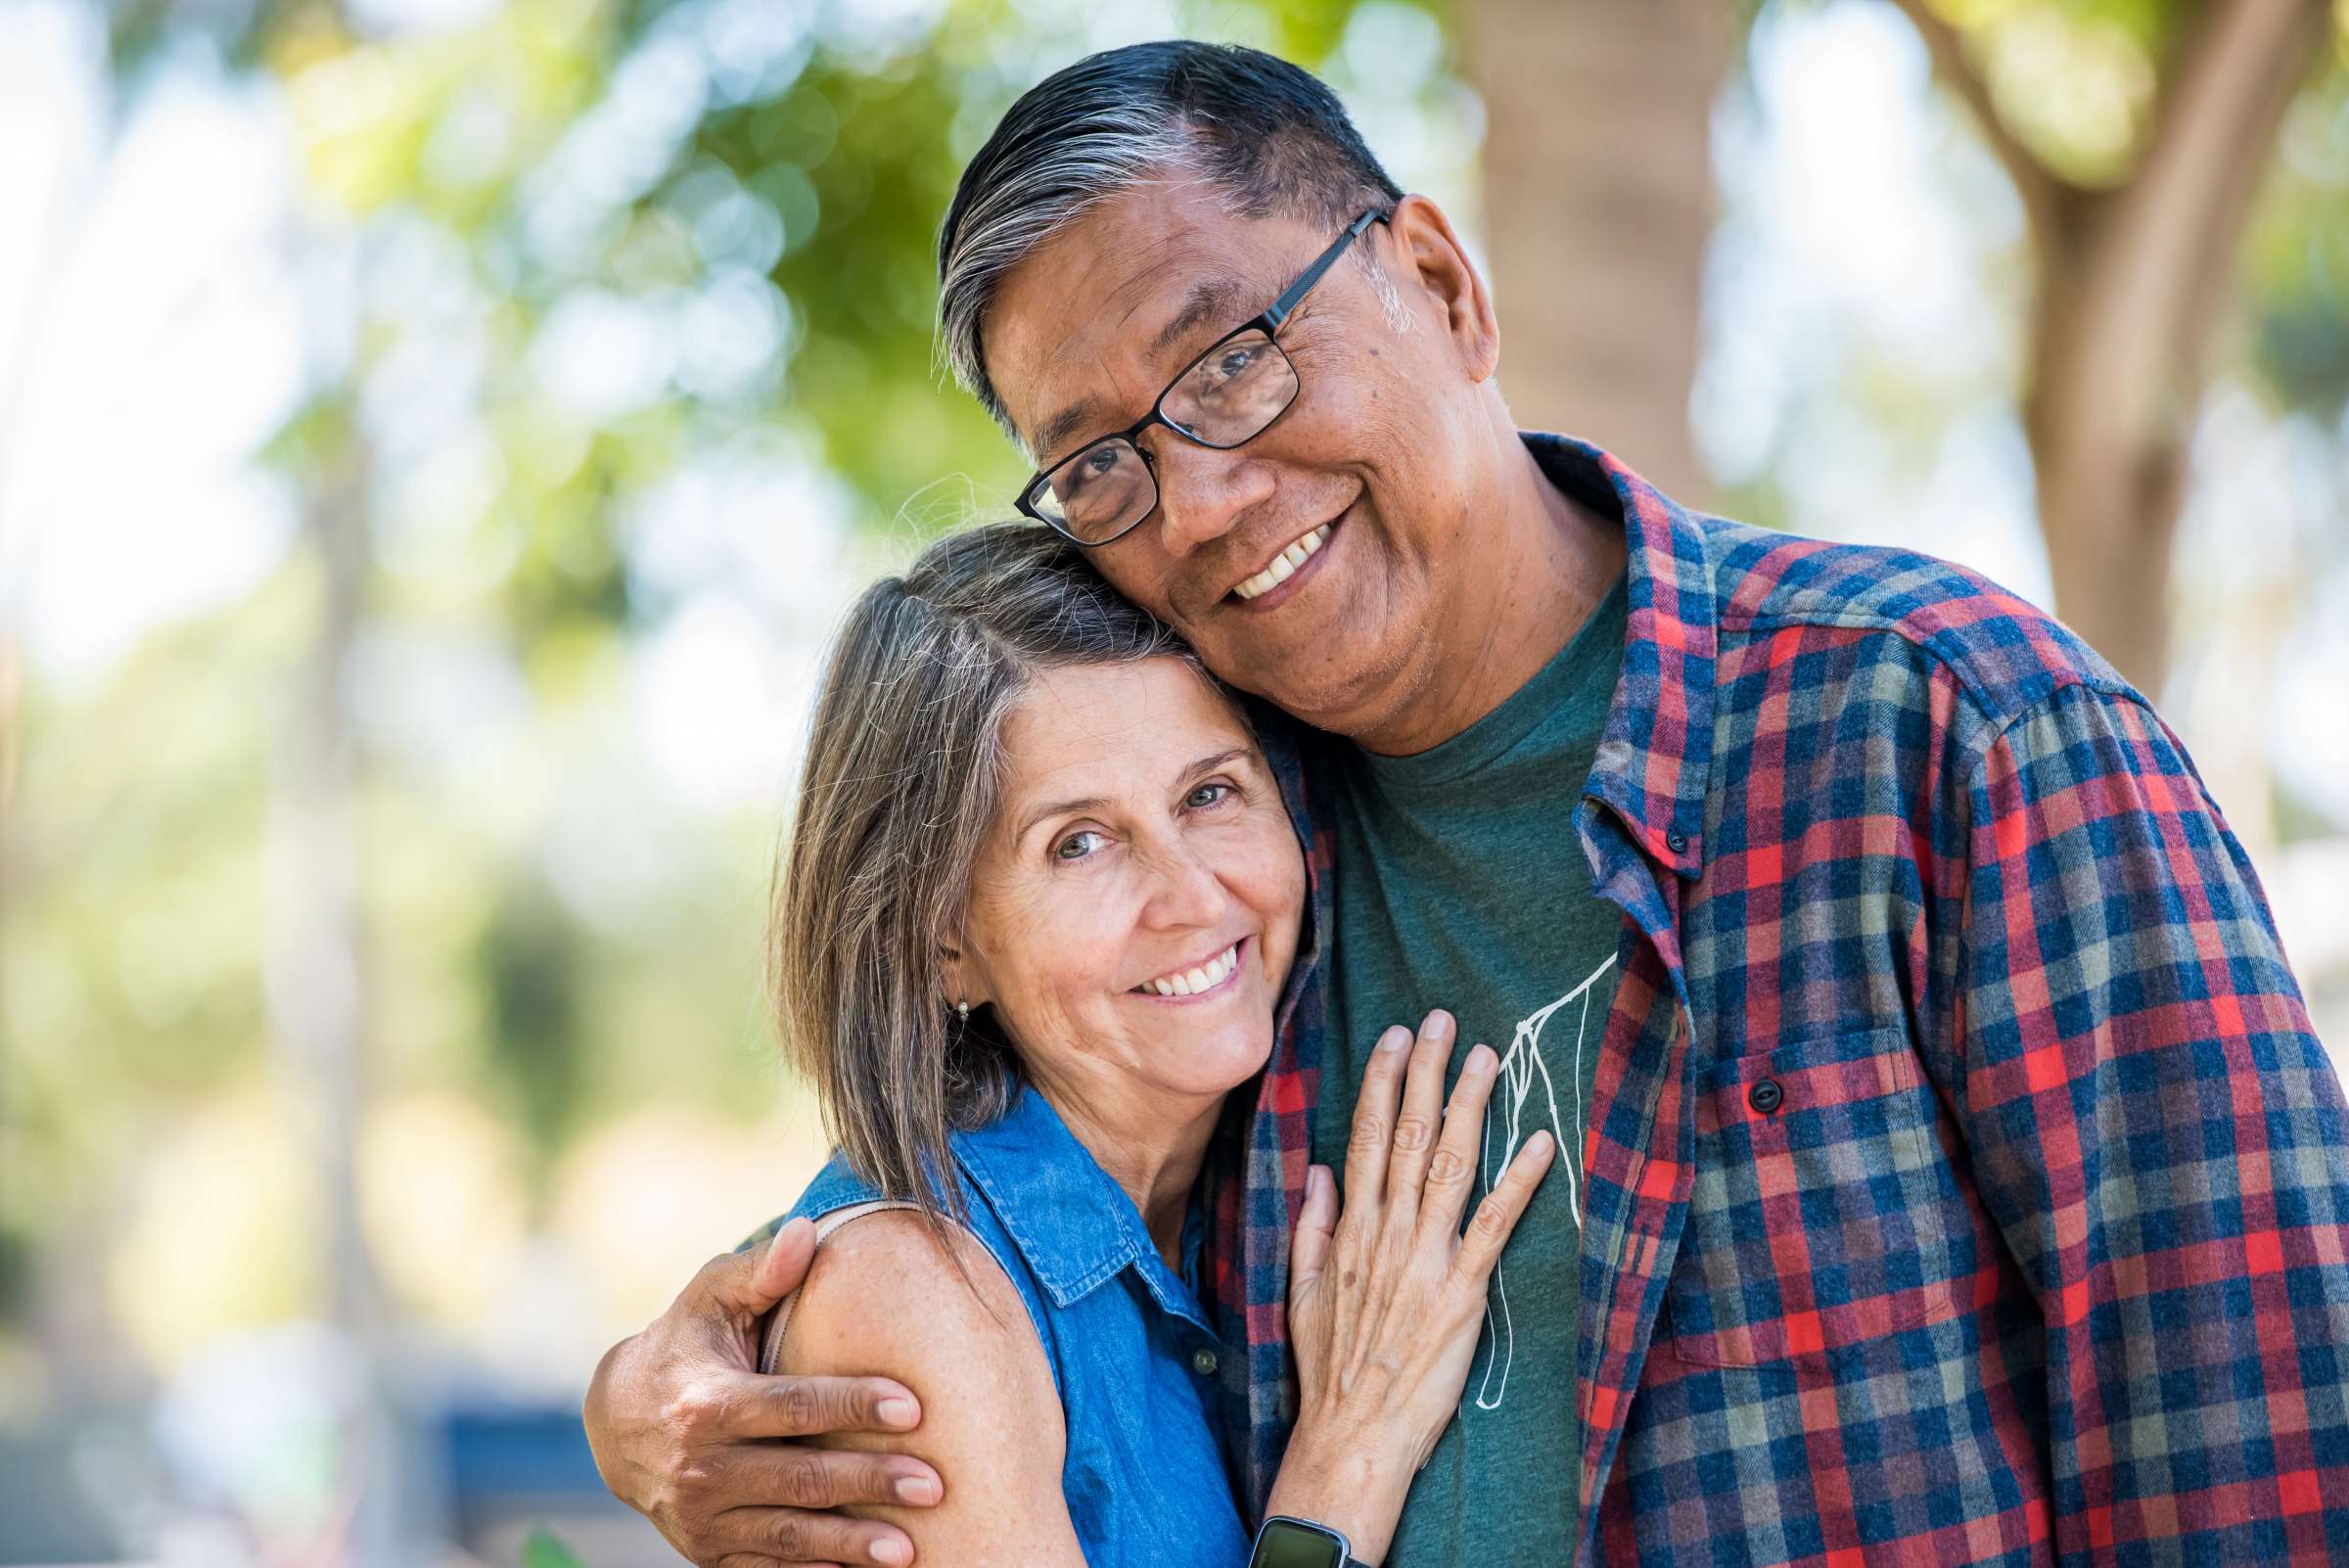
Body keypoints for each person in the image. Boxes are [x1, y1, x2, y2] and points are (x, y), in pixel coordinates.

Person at [585, 40, 2349, 1568]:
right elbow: (974, 1205)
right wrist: (650, 1386)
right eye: (1106, 462)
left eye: (1232, 359)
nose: (1198, 498)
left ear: (1442, 283)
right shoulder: (1249, 861)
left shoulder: (1939, 727)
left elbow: (2259, 1446)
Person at [664, 520, 1555, 1567]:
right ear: (944, 942)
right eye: (1078, 843)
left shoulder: (1221, 1193)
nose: (1190, 897)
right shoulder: (915, 1298)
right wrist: (1348, 1461)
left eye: (1210, 792)